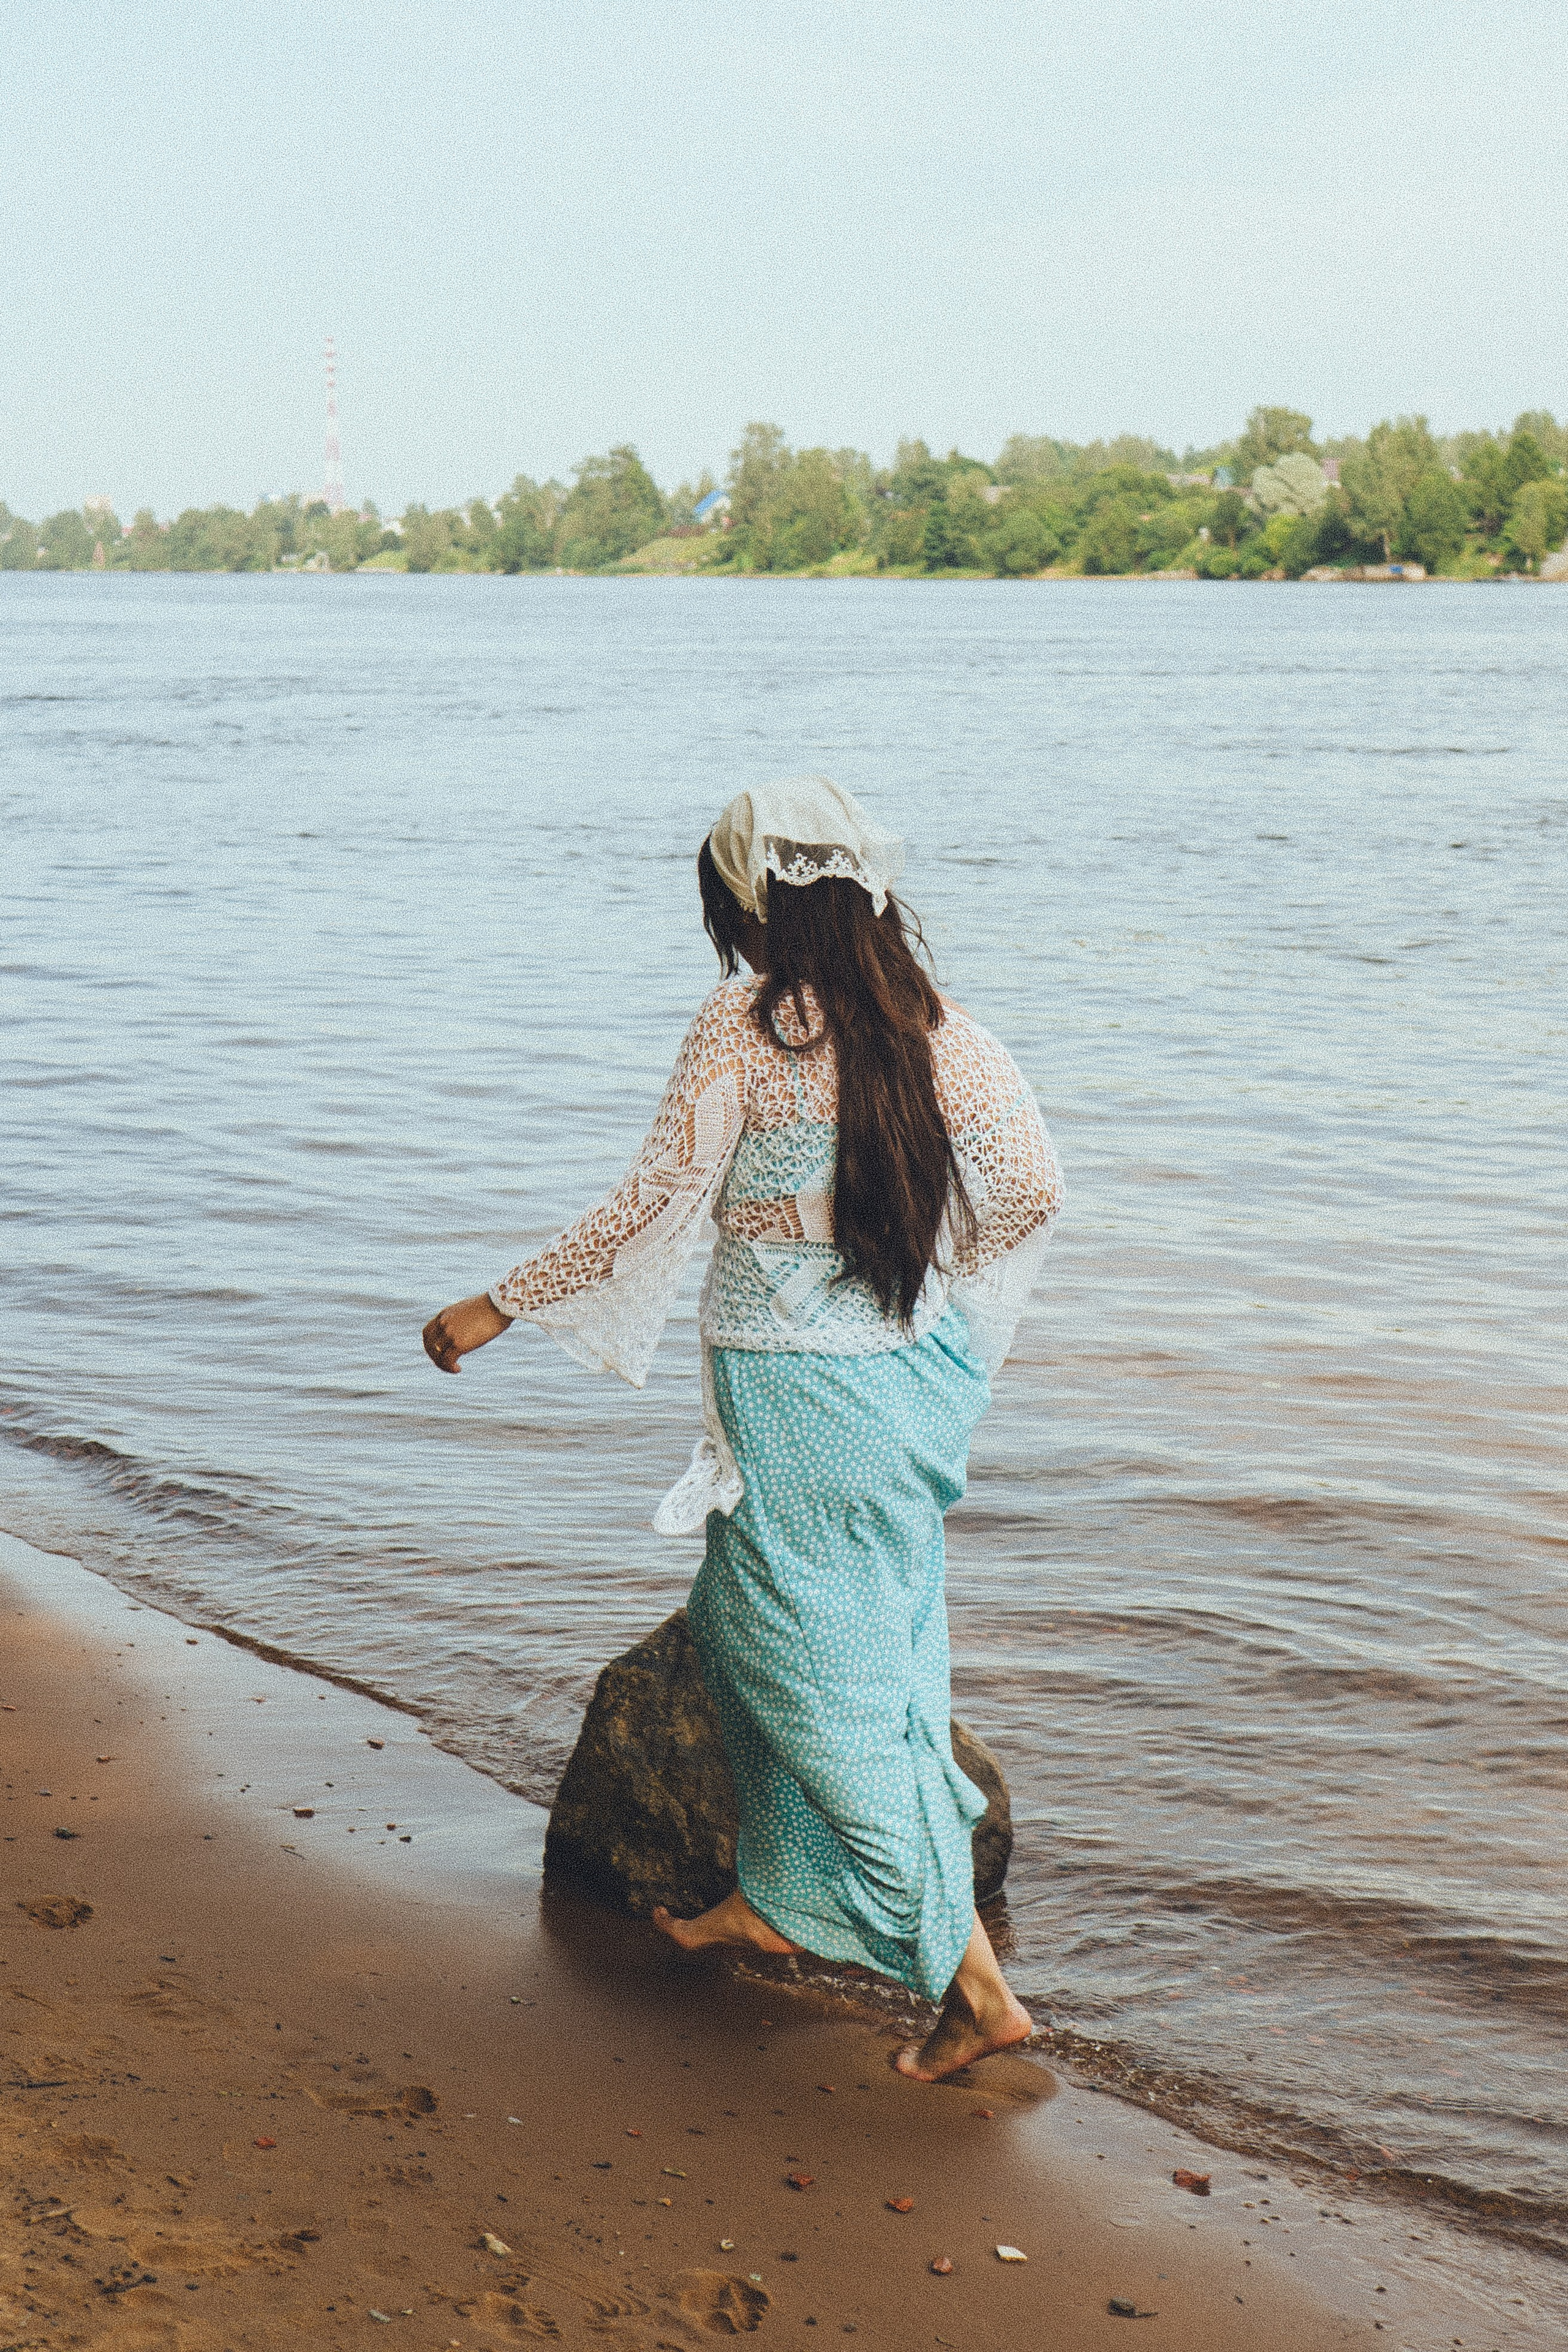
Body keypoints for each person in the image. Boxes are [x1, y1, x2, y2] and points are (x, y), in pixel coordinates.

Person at [423, 777, 1061, 2081]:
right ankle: (773, 1900)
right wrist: (936, 1317)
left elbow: (656, 1193)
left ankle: (971, 1985)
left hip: (793, 1396)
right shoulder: (938, 1031)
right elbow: (1032, 1193)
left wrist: (498, 1304)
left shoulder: (741, 1025)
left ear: (749, 899)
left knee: (812, 1692)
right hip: (904, 1389)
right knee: (818, 1646)